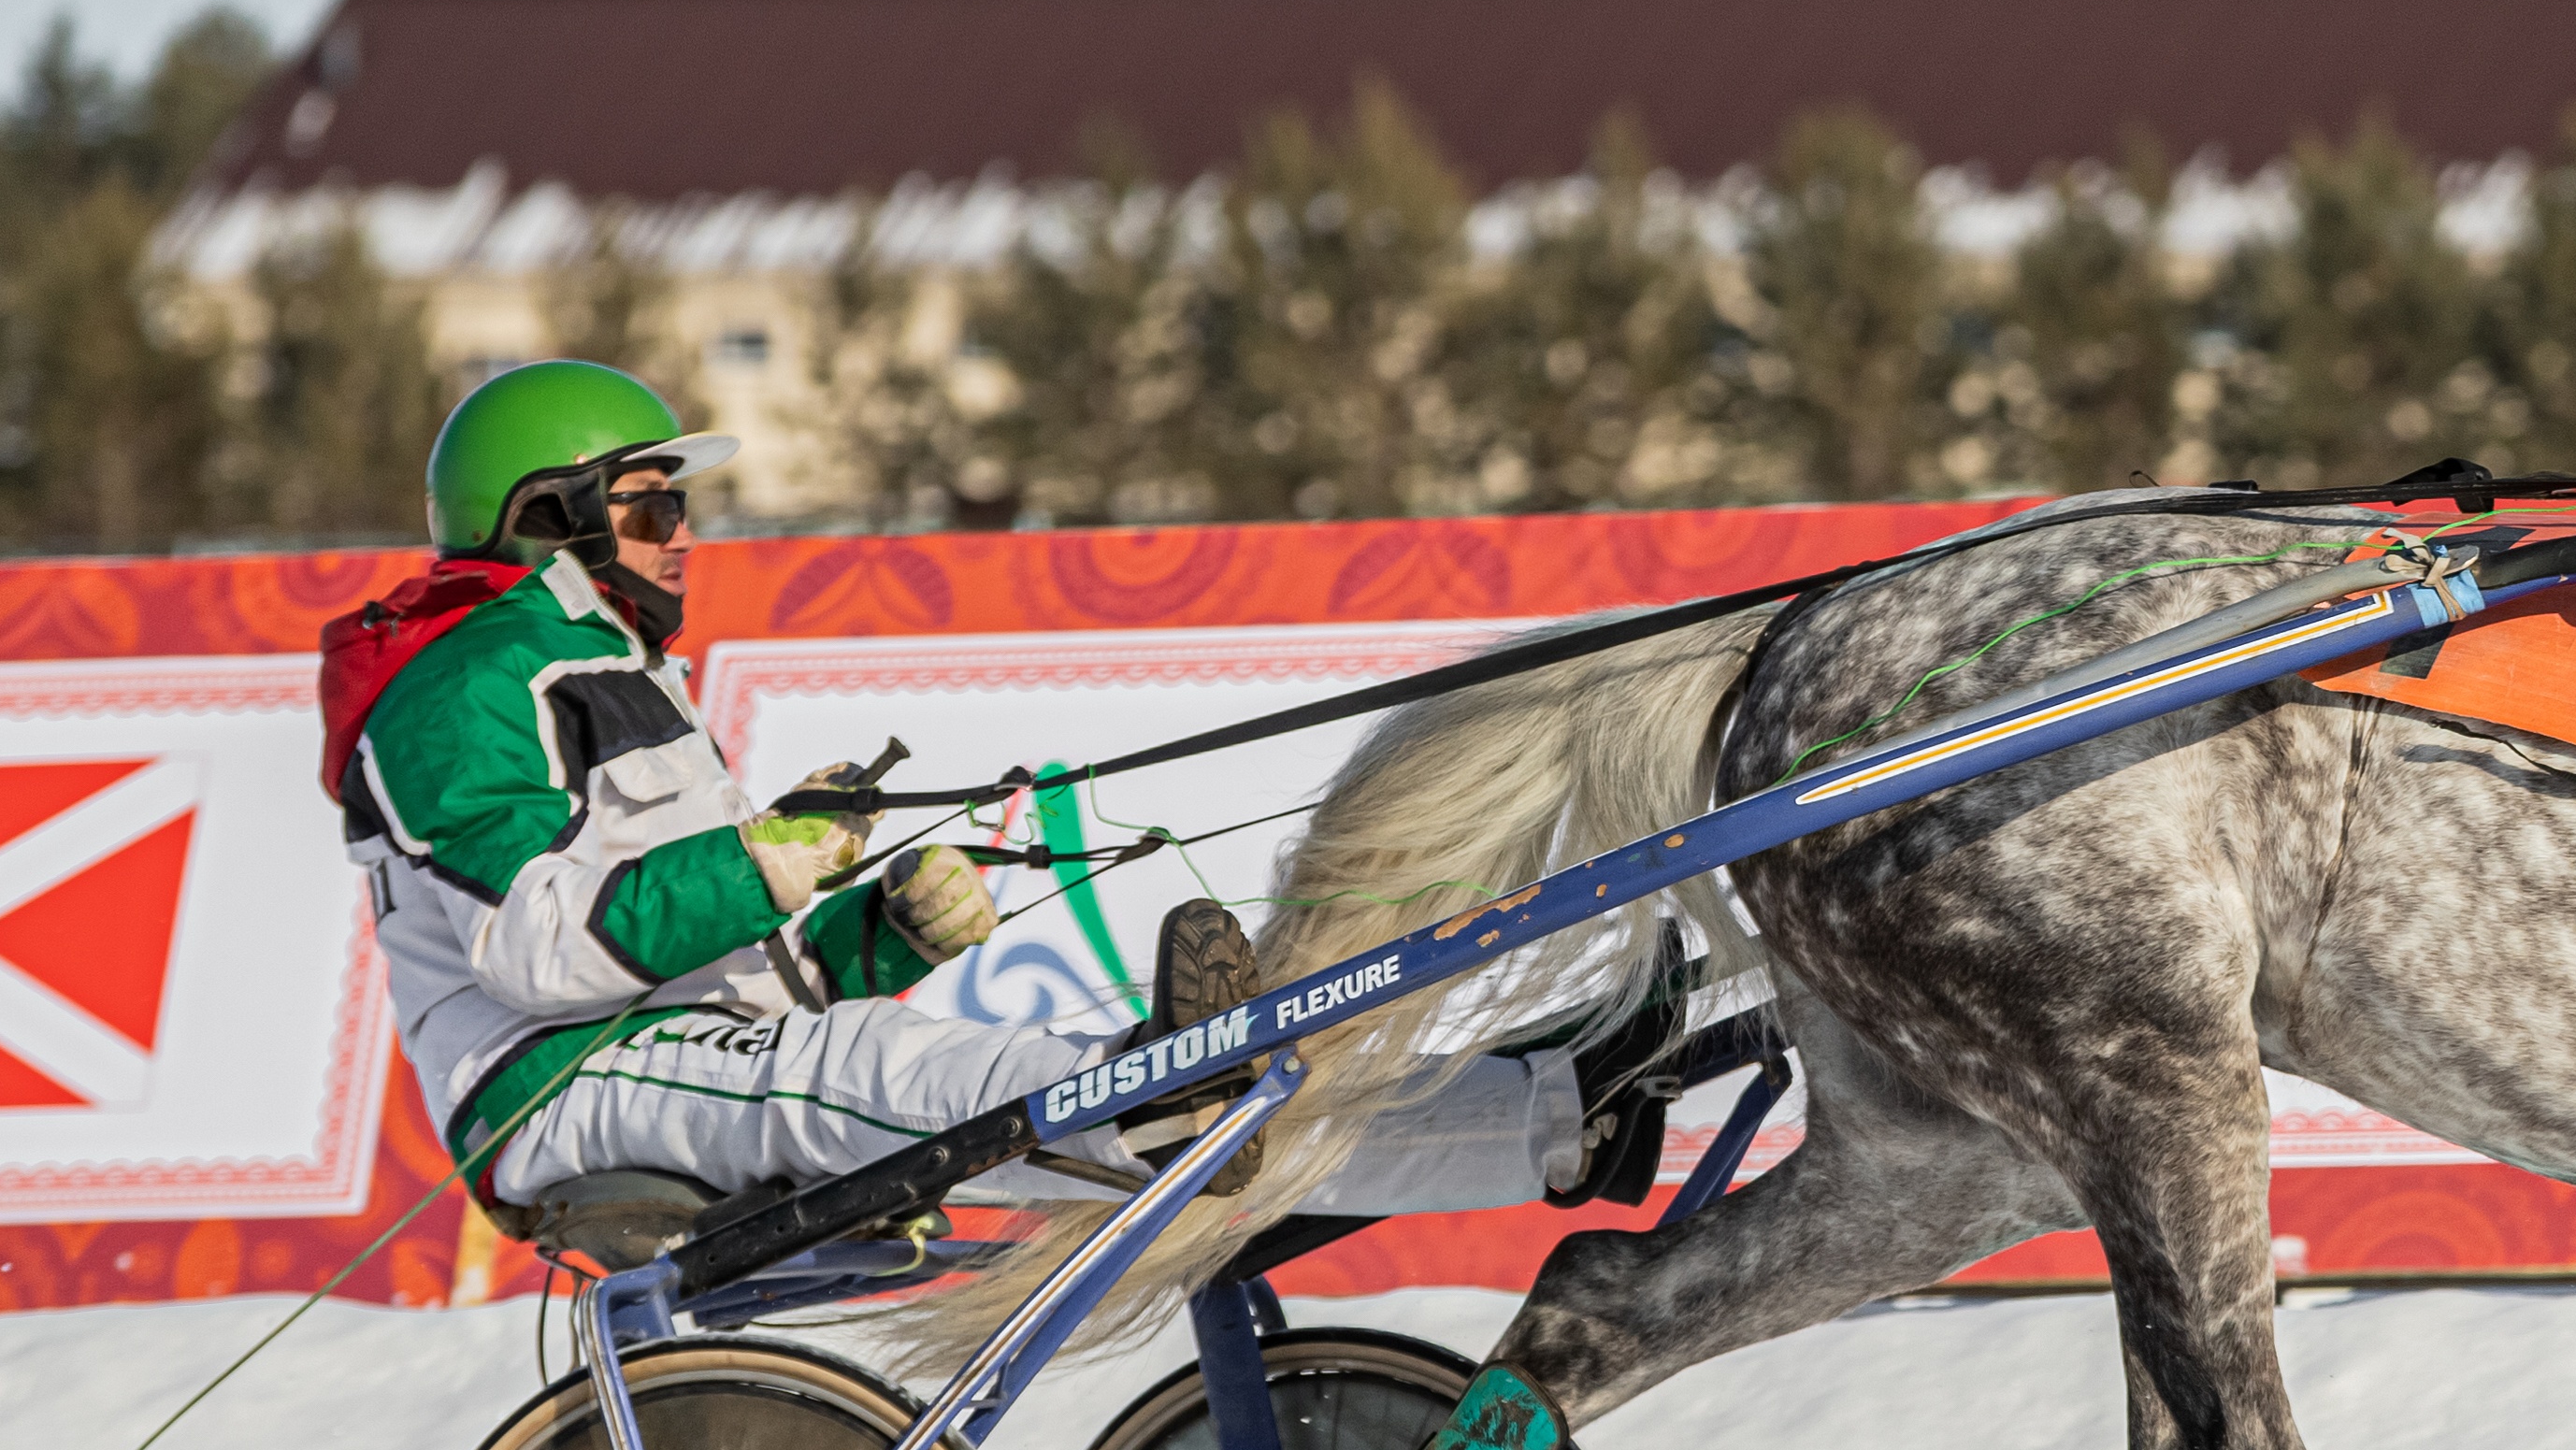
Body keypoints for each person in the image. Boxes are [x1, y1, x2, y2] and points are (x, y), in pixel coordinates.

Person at [323, 360, 1676, 1235]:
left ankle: (1554, 1111)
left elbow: (738, 981)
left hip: (670, 1048)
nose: (687, 535)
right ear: (552, 517)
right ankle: (1158, 1097)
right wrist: (768, 861)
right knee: (895, 1071)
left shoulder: (619, 671)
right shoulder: (457, 687)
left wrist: (880, 934)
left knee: (1207, 1122)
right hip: (558, 1085)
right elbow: (548, 950)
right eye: (653, 506)